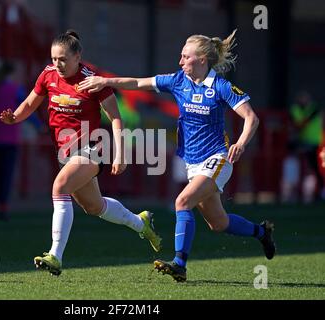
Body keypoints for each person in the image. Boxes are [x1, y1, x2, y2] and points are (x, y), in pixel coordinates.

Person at [78, 30, 276, 282]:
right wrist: (106, 81)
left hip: (217, 158)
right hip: (192, 162)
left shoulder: (221, 86)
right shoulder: (178, 80)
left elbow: (251, 117)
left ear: (202, 59)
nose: (180, 61)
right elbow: (138, 83)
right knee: (218, 223)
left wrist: (241, 143)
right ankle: (262, 232)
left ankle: (179, 264)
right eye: (181, 56)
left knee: (182, 202)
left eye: (186, 56)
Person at [0, 30, 162, 276]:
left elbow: (116, 117)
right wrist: (15, 118)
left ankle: (55, 255)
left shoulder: (93, 81)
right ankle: (141, 223)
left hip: (93, 147)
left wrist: (120, 153)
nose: (57, 64)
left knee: (59, 186)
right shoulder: (48, 75)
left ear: (78, 56)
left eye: (63, 59)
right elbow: (31, 103)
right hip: (66, 151)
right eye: (54, 58)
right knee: (94, 207)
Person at [0, 61, 42, 221]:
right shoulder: (15, 89)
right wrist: (40, 126)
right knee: (6, 174)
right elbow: (28, 107)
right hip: (9, 138)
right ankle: (3, 205)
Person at [289, 91, 324, 202]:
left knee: (316, 168)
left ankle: (319, 192)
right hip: (303, 142)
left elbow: (302, 124)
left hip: (316, 143)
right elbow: (298, 124)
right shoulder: (295, 109)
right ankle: (298, 193)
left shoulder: (314, 108)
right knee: (306, 168)